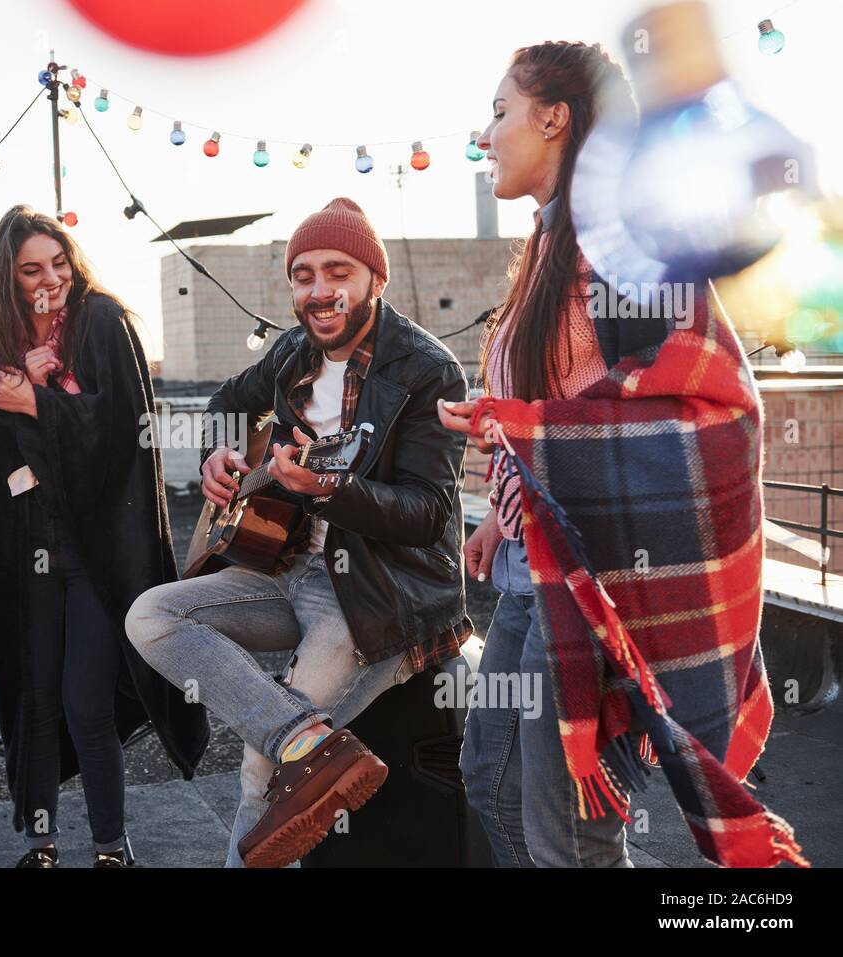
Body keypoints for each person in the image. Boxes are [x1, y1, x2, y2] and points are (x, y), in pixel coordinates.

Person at [439, 41, 802, 868]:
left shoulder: (622, 237)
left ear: (555, 117)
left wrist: (523, 429)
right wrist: (503, 514)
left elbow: (700, 411)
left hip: (592, 579)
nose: (484, 134)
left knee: (569, 833)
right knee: (490, 777)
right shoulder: (550, 243)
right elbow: (567, 393)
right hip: (532, 568)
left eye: (500, 112)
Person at [126, 197, 472, 868]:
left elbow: (428, 512)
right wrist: (220, 450)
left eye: (337, 270)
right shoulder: (291, 353)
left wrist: (332, 491)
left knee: (262, 765)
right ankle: (306, 742)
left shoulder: (426, 369)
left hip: (379, 596)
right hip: (287, 569)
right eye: (304, 274)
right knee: (152, 616)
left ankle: (289, 747)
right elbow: (229, 401)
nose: (319, 290)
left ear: (375, 278)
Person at [0, 205, 209, 868]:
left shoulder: (102, 320)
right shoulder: (3, 346)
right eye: (31, 269)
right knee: (35, 703)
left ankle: (109, 846)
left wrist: (38, 402)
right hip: (25, 552)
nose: (50, 278)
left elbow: (122, 429)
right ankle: (41, 845)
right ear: (8, 280)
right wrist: (17, 395)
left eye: (58, 262)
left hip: (98, 552)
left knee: (86, 703)